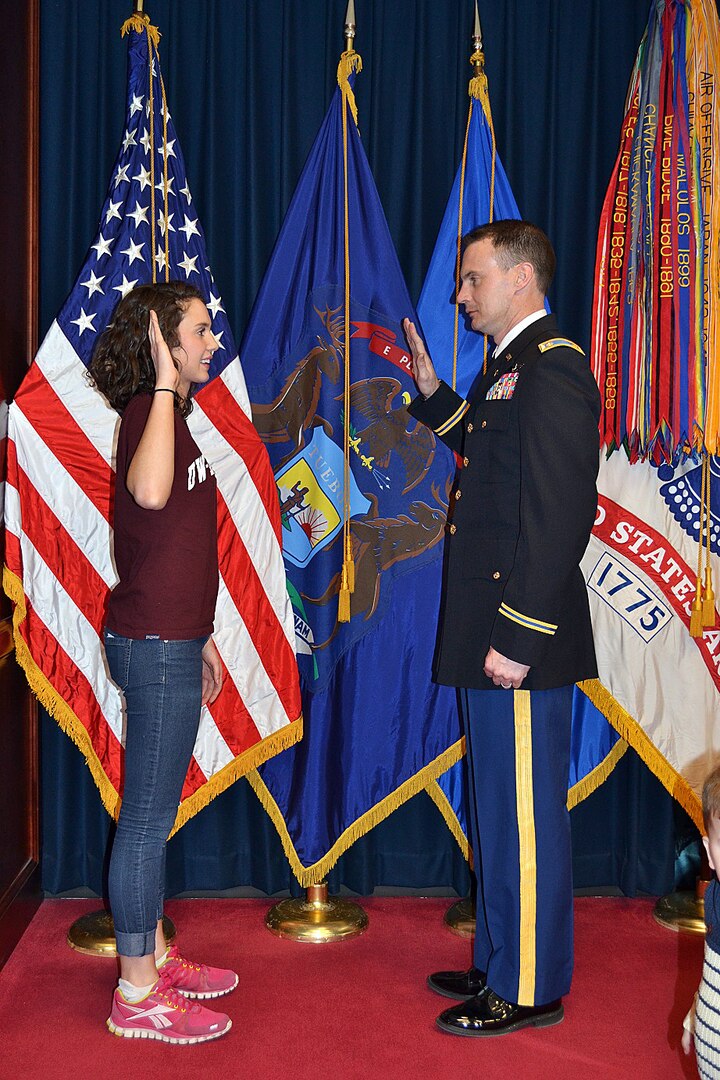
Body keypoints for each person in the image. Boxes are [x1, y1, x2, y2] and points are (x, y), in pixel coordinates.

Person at [404, 220, 600, 1037]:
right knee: (498, 811)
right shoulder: (513, 368)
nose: (460, 295)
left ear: (521, 280)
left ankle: (529, 986)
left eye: (472, 279)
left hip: (519, 640)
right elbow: (491, 459)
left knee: (524, 815)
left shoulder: (554, 368)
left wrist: (517, 637)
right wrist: (432, 396)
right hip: (495, 635)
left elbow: (559, 517)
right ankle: (500, 956)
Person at [89, 281, 236, 1045]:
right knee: (145, 822)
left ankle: (152, 954)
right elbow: (150, 494)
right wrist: (161, 381)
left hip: (174, 639)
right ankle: (136, 993)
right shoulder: (154, 411)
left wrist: (204, 630)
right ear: (161, 340)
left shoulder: (169, 415)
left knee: (153, 818)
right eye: (199, 331)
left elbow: (173, 540)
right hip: (152, 648)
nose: (213, 342)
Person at [683, 766, 720, 1076]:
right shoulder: (714, 898)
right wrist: (693, 1014)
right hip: (709, 1046)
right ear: (709, 852)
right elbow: (712, 971)